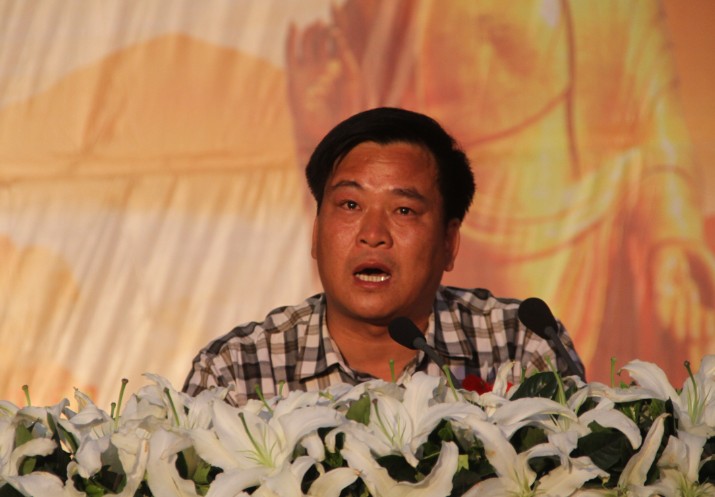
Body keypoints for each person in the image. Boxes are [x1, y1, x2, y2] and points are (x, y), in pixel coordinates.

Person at [183, 107, 583, 406]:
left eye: (404, 210)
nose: (373, 235)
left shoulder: (520, 345)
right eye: (350, 205)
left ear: (449, 242)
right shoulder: (237, 370)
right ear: (316, 233)